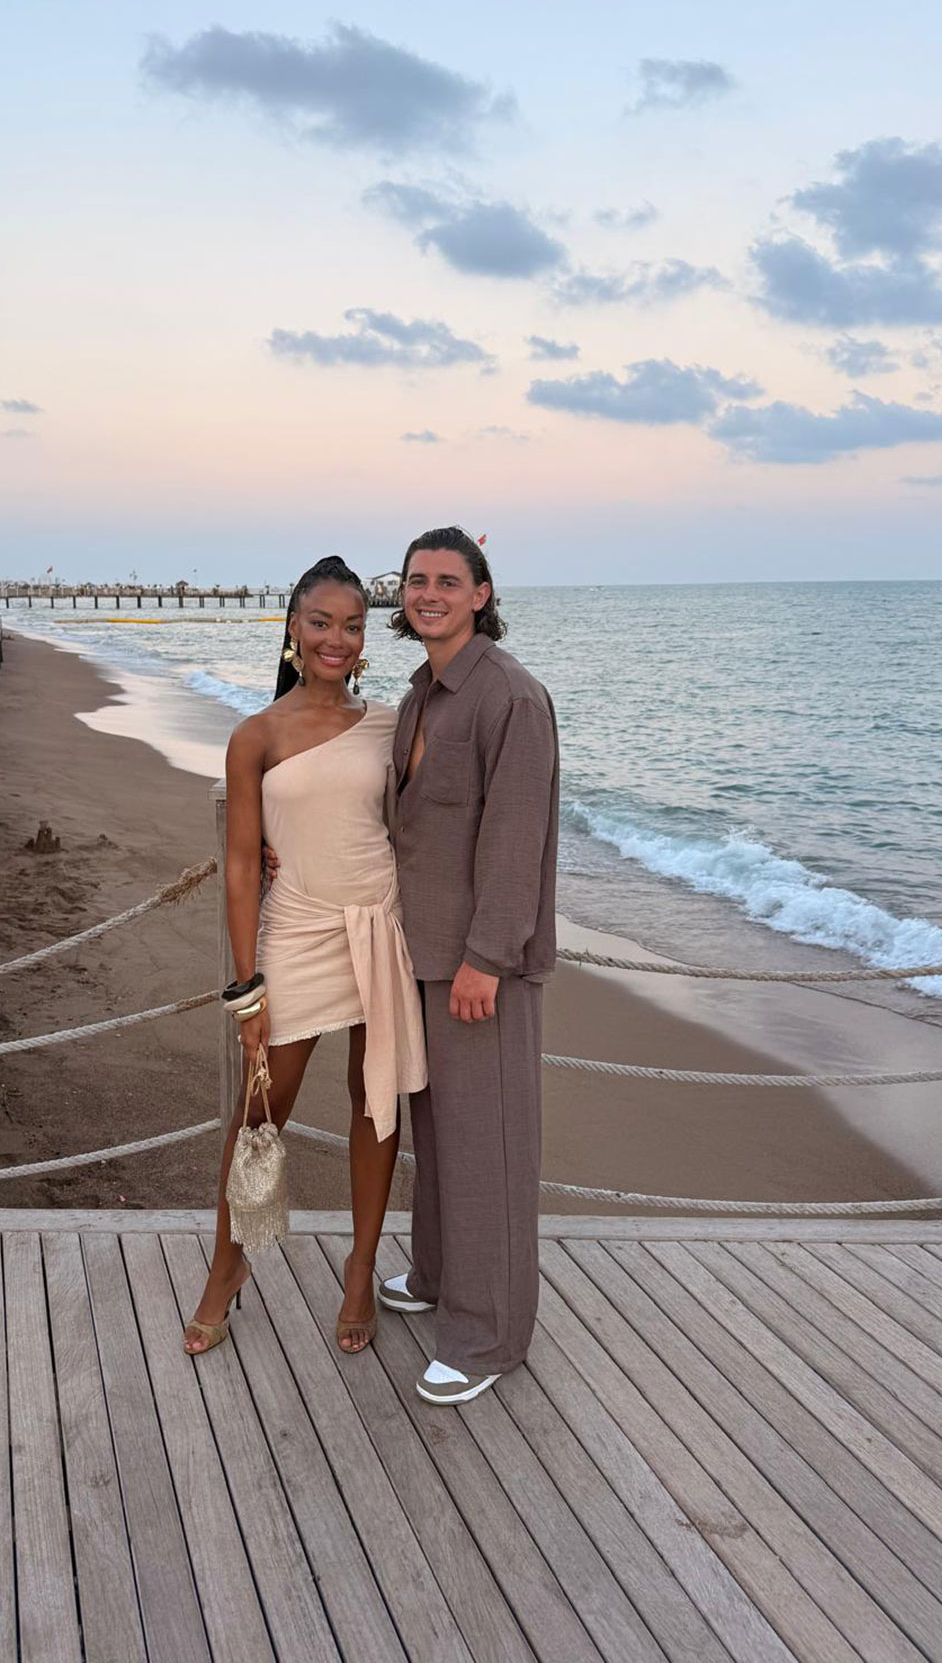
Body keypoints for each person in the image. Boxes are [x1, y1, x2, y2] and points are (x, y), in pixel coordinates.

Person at [183, 555, 427, 1358]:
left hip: (378, 925)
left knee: (373, 1099)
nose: (337, 639)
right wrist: (247, 985)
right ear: (291, 628)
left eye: (352, 626)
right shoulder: (255, 736)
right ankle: (227, 1269)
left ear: (366, 639)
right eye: (320, 622)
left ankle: (361, 1270)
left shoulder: (394, 725)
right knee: (260, 1114)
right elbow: (245, 864)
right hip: (296, 933)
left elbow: (433, 817)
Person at [377, 527, 559, 1404]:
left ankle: (486, 1339)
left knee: (487, 1146)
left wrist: (488, 957)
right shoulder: (420, 695)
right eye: (418, 580)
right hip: (419, 952)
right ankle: (441, 1279)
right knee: (440, 1138)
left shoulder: (510, 697)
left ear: (482, 594)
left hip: (477, 967)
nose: (430, 593)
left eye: (449, 580)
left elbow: (515, 840)